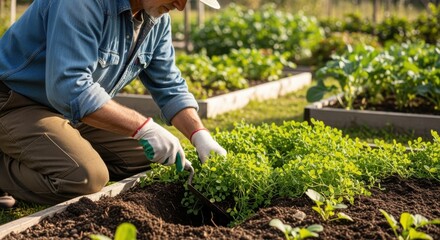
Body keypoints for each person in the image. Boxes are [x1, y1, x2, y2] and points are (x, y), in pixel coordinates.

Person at [0, 0, 227, 209]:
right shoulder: (83, 4)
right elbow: (69, 87)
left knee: (154, 161)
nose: (180, 6)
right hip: (15, 101)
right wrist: (142, 127)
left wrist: (199, 134)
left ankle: (52, 153)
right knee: (85, 178)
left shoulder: (156, 20)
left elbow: (169, 85)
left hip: (69, 110)